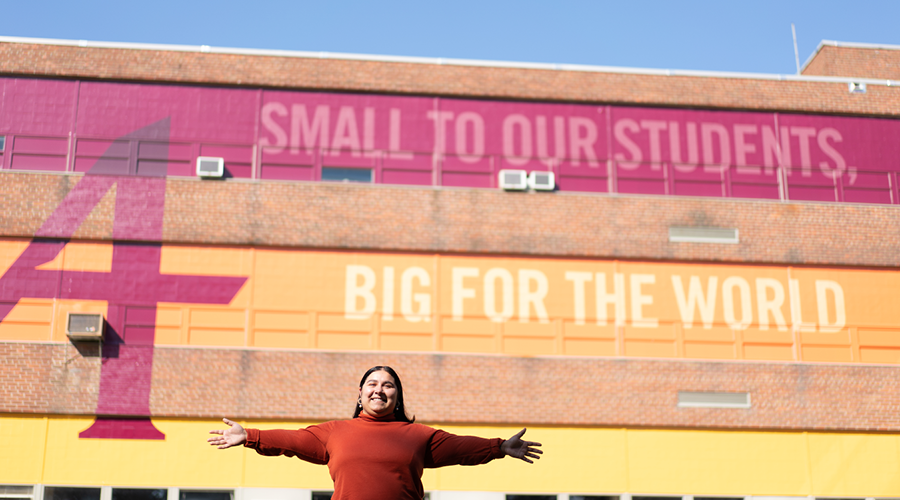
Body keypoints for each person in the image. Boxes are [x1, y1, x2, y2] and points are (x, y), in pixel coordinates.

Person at [208, 365, 542, 500]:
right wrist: (248, 435)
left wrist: (500, 447)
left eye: (387, 385)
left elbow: (460, 448)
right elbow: (292, 440)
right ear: (360, 393)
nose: (378, 390)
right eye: (372, 384)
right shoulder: (334, 433)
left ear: (397, 395)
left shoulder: (418, 435)